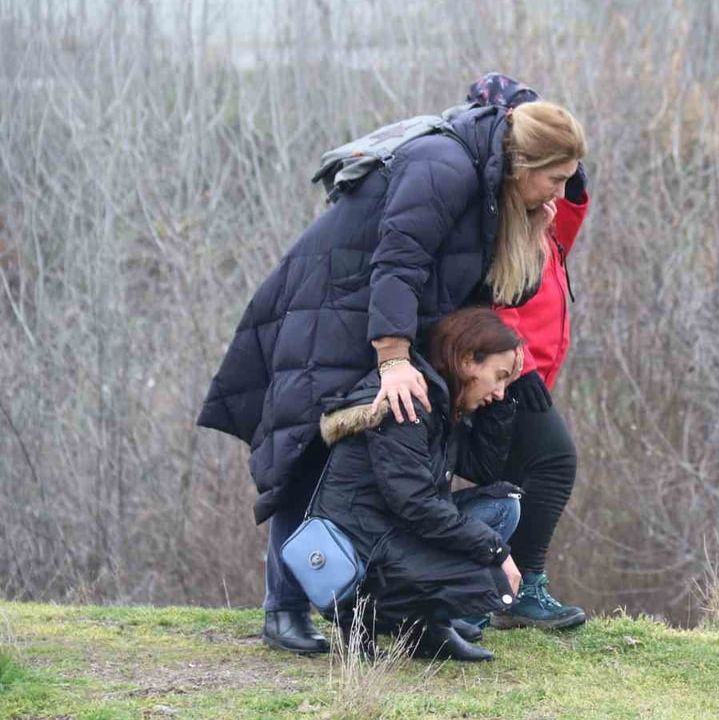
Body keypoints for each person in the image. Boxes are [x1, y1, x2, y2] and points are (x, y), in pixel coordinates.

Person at [197, 94, 587, 654]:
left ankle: (412, 621)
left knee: (400, 466)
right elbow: (397, 263)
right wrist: (394, 358)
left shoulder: (492, 191)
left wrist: (530, 232)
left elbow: (495, 293)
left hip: (379, 319)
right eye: (554, 179)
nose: (559, 192)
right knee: (310, 455)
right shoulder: (445, 166)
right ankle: (284, 611)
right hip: (330, 314)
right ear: (523, 163)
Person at [312, 307, 525, 662]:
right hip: (364, 551)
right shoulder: (406, 404)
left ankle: (427, 628)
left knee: (502, 507)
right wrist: (495, 551)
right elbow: (416, 505)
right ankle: (364, 615)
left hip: (394, 530)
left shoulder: (441, 400)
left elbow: (485, 469)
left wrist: (501, 406)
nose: (501, 391)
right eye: (499, 377)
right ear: (469, 361)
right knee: (485, 574)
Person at [462, 73, 591, 630]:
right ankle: (527, 588)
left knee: (511, 479)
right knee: (554, 461)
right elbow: (493, 294)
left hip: (529, 368)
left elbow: (566, 223)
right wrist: (521, 365)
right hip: (509, 369)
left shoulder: (539, 214)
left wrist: (570, 172)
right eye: (555, 177)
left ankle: (494, 592)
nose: (563, 192)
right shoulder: (498, 211)